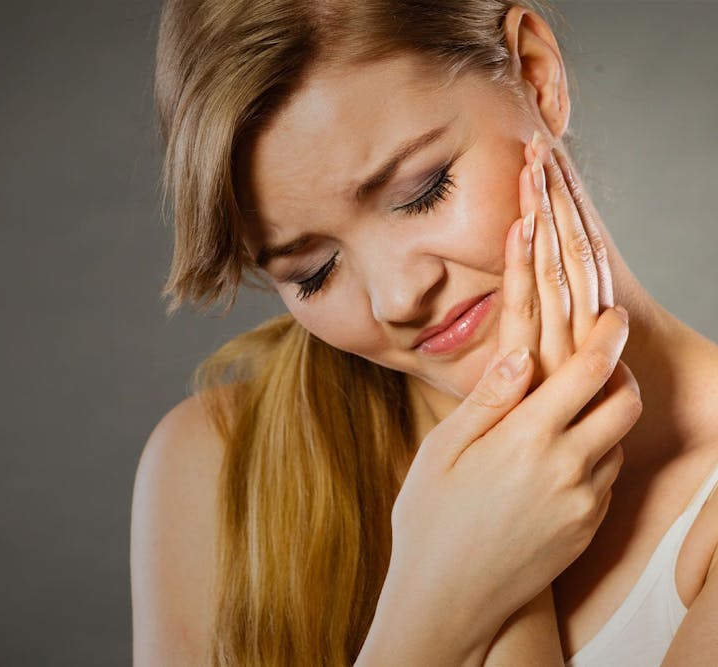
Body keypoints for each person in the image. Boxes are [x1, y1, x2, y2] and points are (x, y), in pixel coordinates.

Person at [131, 1, 718, 664]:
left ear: (535, 74)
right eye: (314, 271)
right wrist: (434, 612)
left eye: (422, 190)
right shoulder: (219, 464)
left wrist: (504, 573)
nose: (398, 297)